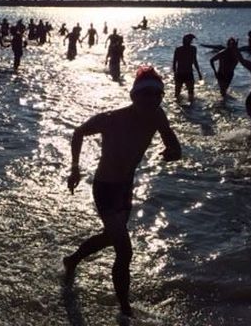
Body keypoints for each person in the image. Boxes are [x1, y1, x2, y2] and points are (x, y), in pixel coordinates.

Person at [65, 65, 181, 318]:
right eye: (145, 94)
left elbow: (172, 142)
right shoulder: (111, 119)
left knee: (110, 237)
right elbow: (79, 132)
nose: (151, 100)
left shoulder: (157, 116)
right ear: (133, 96)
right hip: (105, 188)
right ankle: (125, 310)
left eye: (156, 95)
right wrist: (75, 169)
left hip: (125, 189)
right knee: (124, 250)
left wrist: (173, 152)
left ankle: (72, 260)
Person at [172, 34, 202, 101]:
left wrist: (199, 72)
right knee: (177, 93)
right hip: (180, 73)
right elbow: (174, 62)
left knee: (190, 92)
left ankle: (190, 107)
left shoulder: (193, 49)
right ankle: (179, 106)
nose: (191, 41)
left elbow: (195, 61)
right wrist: (175, 73)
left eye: (191, 40)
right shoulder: (178, 49)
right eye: (190, 40)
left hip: (188, 73)